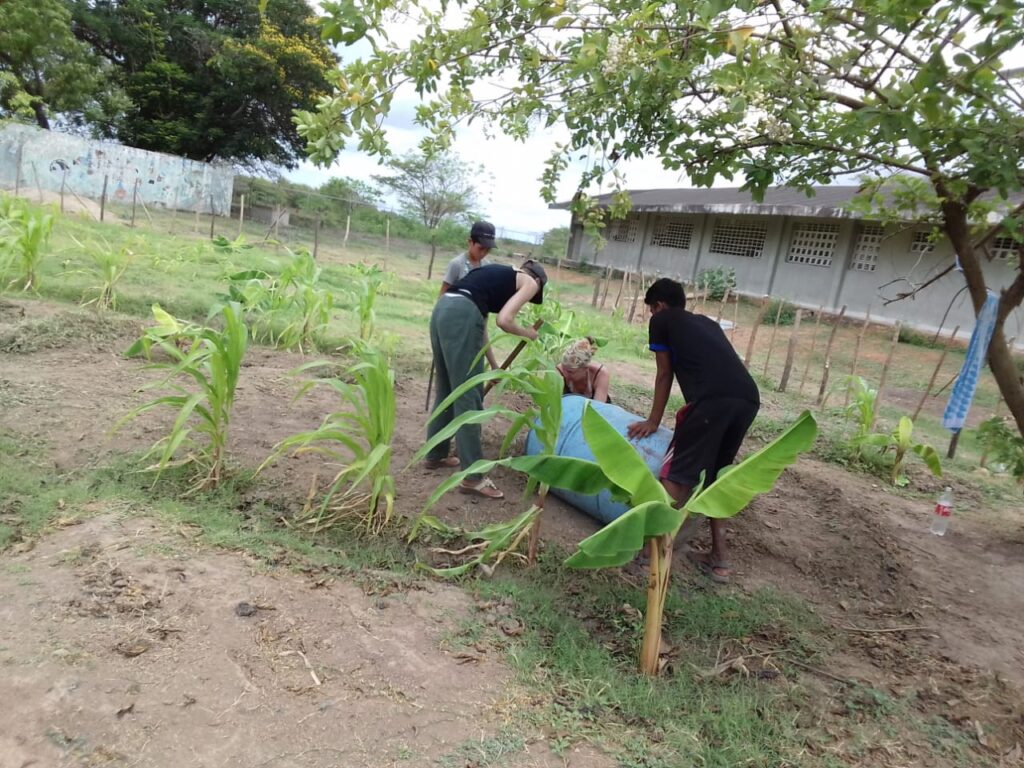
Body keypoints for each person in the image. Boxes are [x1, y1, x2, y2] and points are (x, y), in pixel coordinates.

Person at [626, 278, 760, 584]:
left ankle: (647, 557)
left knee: (677, 475)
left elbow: (664, 373)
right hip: (747, 399)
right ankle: (721, 561)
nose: (652, 315)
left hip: (712, 401)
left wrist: (653, 421)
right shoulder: (706, 323)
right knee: (714, 478)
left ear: (658, 305)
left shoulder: (661, 319)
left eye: (651, 310)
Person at [424, 259, 548, 499]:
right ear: (538, 281)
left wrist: (493, 366)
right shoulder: (530, 281)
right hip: (460, 316)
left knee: (447, 389)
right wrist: (528, 334)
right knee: (469, 398)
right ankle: (473, 477)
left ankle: (435, 454)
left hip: (443, 310)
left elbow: (479, 329)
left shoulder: (490, 277)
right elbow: (505, 320)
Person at [438, 220, 498, 369]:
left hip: (477, 323)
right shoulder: (456, 264)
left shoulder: (488, 267)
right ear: (470, 242)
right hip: (456, 323)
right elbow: (443, 295)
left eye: (487, 250)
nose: (483, 253)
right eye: (481, 248)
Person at [557, 338, 611, 403]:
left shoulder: (600, 373)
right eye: (564, 368)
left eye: (570, 372)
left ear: (585, 369)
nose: (565, 374)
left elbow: (599, 406)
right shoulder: (559, 371)